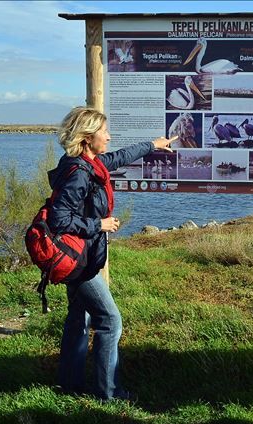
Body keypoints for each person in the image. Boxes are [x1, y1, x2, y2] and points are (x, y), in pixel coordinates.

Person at [49, 106, 176, 401]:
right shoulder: (79, 174)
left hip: (77, 255)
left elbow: (118, 157)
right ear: (87, 136)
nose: (109, 136)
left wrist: (152, 145)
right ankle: (109, 393)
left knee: (77, 316)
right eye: (104, 131)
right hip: (78, 261)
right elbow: (58, 220)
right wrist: (99, 224)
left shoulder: (86, 163)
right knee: (109, 320)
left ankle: (69, 384)